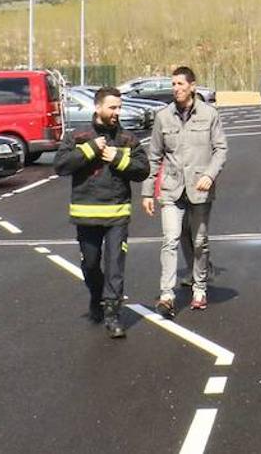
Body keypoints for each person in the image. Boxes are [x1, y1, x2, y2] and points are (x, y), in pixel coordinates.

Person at [54, 86, 150, 338]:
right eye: (112, 107)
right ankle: (96, 295)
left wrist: (118, 158)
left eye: (119, 107)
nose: (117, 112)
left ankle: (112, 314)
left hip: (117, 213)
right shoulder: (78, 136)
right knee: (91, 264)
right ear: (98, 108)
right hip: (86, 214)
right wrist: (90, 150)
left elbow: (143, 170)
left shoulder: (127, 139)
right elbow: (61, 166)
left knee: (115, 265)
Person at [142, 66, 228, 317]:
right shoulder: (163, 117)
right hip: (171, 189)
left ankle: (199, 287)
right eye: (174, 84)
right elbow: (154, 156)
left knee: (199, 241)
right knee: (170, 239)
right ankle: (167, 294)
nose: (177, 89)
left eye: (181, 84)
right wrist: (148, 192)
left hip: (200, 190)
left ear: (192, 86)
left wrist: (209, 175)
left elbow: (221, 149)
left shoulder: (209, 114)